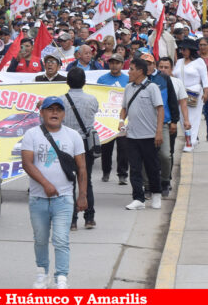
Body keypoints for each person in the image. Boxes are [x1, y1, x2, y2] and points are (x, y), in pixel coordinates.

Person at [21, 96, 87, 289]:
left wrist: (82, 194)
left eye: (58, 110)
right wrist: (45, 184)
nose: (54, 113)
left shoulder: (73, 136)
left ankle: (61, 277)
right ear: (42, 113)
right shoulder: (31, 135)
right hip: (38, 198)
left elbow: (82, 168)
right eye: (50, 109)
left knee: (60, 239)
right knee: (40, 239)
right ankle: (42, 273)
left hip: (64, 198)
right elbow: (27, 163)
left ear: (64, 114)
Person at [118, 58, 164, 210]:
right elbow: (124, 107)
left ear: (140, 71)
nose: (129, 72)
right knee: (135, 169)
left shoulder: (152, 88)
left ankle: (157, 194)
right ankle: (138, 198)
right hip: (132, 136)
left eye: (131, 69)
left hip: (149, 136)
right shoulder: (128, 87)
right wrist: (120, 120)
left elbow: (160, 109)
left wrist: (158, 132)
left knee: (152, 167)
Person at [62, 68, 99, 230]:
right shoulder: (92, 100)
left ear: (67, 82)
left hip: (67, 143)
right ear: (84, 82)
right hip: (85, 143)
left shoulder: (60, 100)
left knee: (69, 182)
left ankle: (72, 220)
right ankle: (89, 217)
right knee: (86, 179)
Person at [141, 53, 180, 196]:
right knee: (146, 156)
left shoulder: (164, 78)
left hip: (163, 123)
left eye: (149, 63)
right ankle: (147, 185)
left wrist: (174, 121)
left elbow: (172, 100)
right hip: (144, 124)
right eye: (144, 63)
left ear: (154, 65)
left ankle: (165, 181)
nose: (147, 66)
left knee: (165, 155)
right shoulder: (138, 79)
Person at [157, 57, 190, 186]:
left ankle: (167, 179)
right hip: (154, 124)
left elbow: (183, 103)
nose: (163, 70)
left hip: (170, 123)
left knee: (168, 153)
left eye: (166, 67)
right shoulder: (153, 82)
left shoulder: (177, 83)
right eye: (161, 67)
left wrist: (185, 120)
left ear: (172, 69)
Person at [97, 53, 129, 184]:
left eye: (117, 63)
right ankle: (106, 172)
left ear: (122, 65)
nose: (114, 65)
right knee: (106, 149)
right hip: (107, 119)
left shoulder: (128, 79)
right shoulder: (102, 79)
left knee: (123, 148)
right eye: (112, 63)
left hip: (122, 118)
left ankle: (122, 174)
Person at [173, 39, 208, 151]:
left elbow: (204, 78)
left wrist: (206, 91)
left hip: (194, 94)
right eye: (181, 49)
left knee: (193, 117)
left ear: (191, 50)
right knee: (182, 117)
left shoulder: (199, 62)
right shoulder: (179, 62)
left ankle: (191, 141)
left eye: (184, 49)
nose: (182, 51)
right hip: (180, 94)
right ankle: (189, 138)